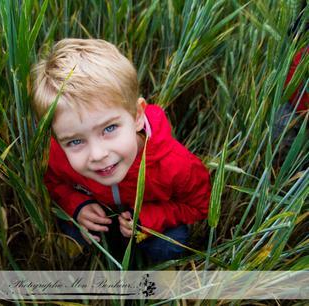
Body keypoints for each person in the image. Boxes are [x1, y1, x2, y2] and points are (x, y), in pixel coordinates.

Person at [30, 38, 211, 263]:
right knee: (69, 229)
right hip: (99, 218)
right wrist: (77, 207)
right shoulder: (58, 154)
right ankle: (73, 267)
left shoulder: (174, 164)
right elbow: (54, 184)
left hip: (146, 223)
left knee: (169, 243)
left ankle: (162, 274)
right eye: (75, 141)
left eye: (109, 128)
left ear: (137, 116)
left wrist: (149, 218)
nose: (97, 155)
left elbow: (199, 205)